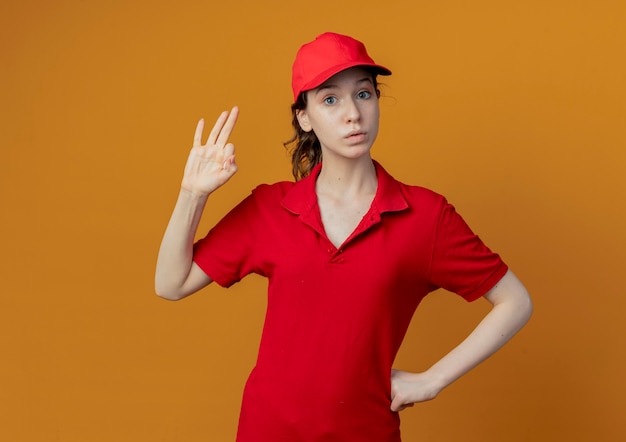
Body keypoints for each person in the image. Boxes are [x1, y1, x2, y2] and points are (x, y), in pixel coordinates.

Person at [155, 32, 533, 442]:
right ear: (304, 117)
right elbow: (171, 284)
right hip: (267, 431)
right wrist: (192, 195)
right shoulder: (270, 207)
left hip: (366, 432)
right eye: (330, 99)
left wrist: (433, 379)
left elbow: (515, 301)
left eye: (364, 94)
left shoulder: (426, 217)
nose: (353, 113)